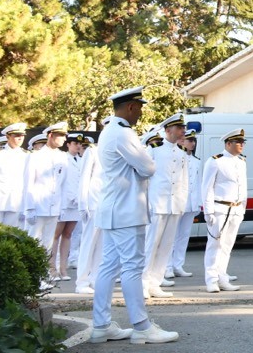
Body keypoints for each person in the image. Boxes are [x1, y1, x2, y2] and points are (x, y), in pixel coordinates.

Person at [90, 86, 179, 344]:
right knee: (132, 268)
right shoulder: (123, 133)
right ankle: (142, 327)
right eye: (139, 107)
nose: (140, 112)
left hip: (114, 209)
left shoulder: (110, 131)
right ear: (130, 107)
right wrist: (142, 167)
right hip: (127, 210)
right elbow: (149, 167)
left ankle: (101, 325)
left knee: (108, 267)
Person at [144, 115, 189, 298]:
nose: (183, 131)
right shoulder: (154, 149)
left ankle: (155, 283)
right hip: (157, 203)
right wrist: (146, 202)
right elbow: (144, 177)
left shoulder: (181, 152)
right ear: (168, 130)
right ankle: (143, 283)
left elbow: (184, 180)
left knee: (166, 246)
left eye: (183, 128)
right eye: (179, 128)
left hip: (174, 204)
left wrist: (182, 202)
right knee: (151, 245)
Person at [201, 128, 248, 293]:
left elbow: (243, 187)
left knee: (227, 246)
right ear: (228, 143)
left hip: (235, 209)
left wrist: (243, 207)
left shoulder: (241, 162)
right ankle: (211, 280)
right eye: (238, 142)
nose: (241, 145)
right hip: (220, 208)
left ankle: (222, 277)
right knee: (215, 245)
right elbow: (207, 187)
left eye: (242, 142)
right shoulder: (215, 161)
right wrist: (208, 211)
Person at [24, 121, 68, 274]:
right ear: (50, 135)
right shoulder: (36, 156)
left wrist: (62, 207)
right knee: (33, 242)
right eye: (60, 135)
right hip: (38, 206)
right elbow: (28, 183)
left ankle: (42, 276)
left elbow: (63, 184)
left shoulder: (63, 157)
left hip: (54, 206)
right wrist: (29, 207)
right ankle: (29, 275)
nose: (64, 139)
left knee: (48, 244)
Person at [75, 124, 108, 294]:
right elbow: (84, 178)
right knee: (88, 244)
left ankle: (95, 278)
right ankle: (82, 281)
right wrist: (83, 204)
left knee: (102, 245)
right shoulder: (93, 151)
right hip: (93, 203)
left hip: (107, 204)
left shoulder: (114, 151)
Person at [167, 128, 202, 280]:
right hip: (178, 202)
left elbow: (198, 183)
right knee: (172, 236)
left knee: (184, 236)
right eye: (189, 140)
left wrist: (199, 202)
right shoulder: (176, 157)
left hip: (191, 202)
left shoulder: (196, 161)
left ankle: (178, 265)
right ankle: (167, 266)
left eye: (194, 140)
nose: (192, 143)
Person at [51, 132, 85, 281]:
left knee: (68, 235)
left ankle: (63, 269)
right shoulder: (62, 159)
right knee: (56, 235)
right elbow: (60, 182)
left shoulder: (81, 160)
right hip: (64, 202)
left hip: (76, 203)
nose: (78, 146)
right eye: (75, 143)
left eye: (80, 144)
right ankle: (52, 268)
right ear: (68, 144)